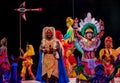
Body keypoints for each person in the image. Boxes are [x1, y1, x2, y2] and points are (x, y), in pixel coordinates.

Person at [74, 12, 104, 77]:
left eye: (91, 33)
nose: (89, 34)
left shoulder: (94, 40)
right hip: (85, 62)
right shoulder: (83, 40)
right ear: (85, 34)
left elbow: (101, 34)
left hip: (93, 61)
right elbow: (76, 34)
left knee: (94, 76)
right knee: (84, 76)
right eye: (88, 33)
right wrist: (76, 24)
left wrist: (101, 26)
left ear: (93, 34)